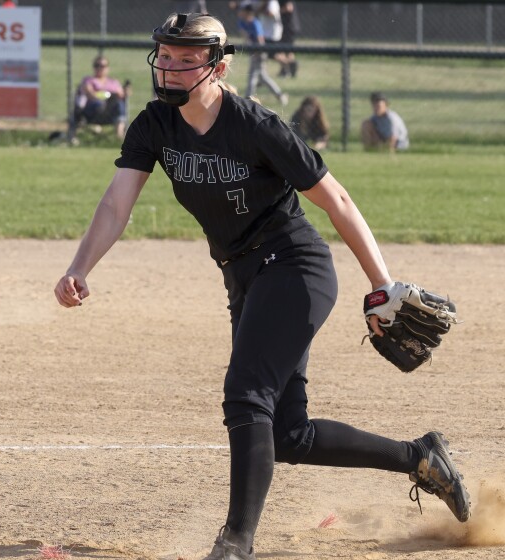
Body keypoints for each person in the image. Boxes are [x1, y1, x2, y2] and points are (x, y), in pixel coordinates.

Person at [54, 12, 469, 560]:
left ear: (219, 67)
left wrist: (381, 285)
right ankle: (419, 457)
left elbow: (336, 200)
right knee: (285, 435)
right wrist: (81, 266)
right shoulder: (154, 125)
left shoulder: (255, 125)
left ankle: (235, 543)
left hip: (295, 267)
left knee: (245, 395)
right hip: (243, 276)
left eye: (187, 60)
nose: (172, 68)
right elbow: (116, 204)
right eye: (167, 57)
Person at [68, 55, 131, 143]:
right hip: (92, 111)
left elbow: (122, 95)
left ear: (108, 68)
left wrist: (125, 92)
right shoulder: (88, 80)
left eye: (102, 66)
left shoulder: (113, 82)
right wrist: (102, 96)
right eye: (96, 65)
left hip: (110, 113)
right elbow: (90, 93)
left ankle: (119, 136)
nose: (99, 68)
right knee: (98, 104)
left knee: (119, 104)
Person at [236, 2, 288, 105]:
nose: (239, 12)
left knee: (253, 76)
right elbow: (245, 36)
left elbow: (261, 41)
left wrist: (258, 52)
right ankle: (280, 95)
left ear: (248, 13)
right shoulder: (241, 22)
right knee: (263, 78)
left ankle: (247, 99)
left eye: (242, 11)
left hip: (260, 53)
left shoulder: (255, 23)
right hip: (253, 52)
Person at [276, 1, 299, 77]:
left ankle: (289, 67)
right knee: (287, 50)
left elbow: (289, 8)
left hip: (288, 27)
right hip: (288, 27)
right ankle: (287, 69)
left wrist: (276, 11)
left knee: (284, 50)